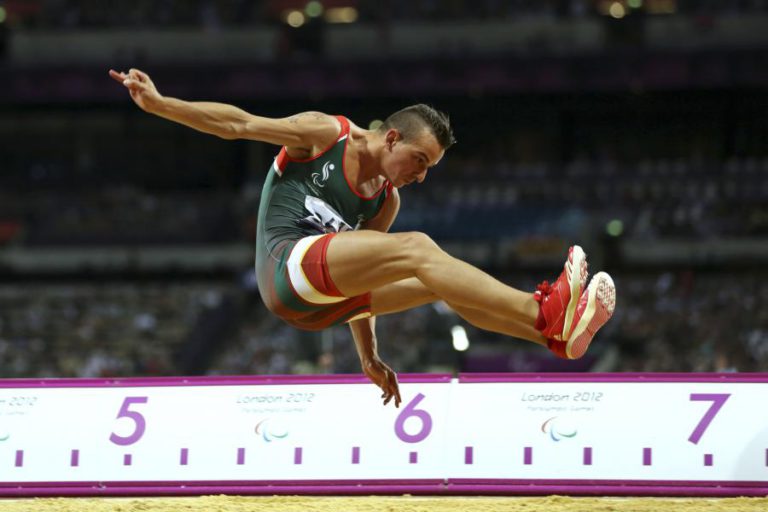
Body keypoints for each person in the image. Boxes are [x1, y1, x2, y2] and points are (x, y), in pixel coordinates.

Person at [109, 68, 616, 408]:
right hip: (284, 268)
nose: (420, 177)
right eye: (419, 162)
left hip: (319, 303)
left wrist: (368, 357)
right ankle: (543, 310)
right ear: (392, 138)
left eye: (430, 169)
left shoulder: (385, 201)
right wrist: (160, 105)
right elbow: (240, 124)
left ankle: (553, 337)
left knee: (439, 280)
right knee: (419, 249)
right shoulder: (325, 134)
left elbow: (359, 287)